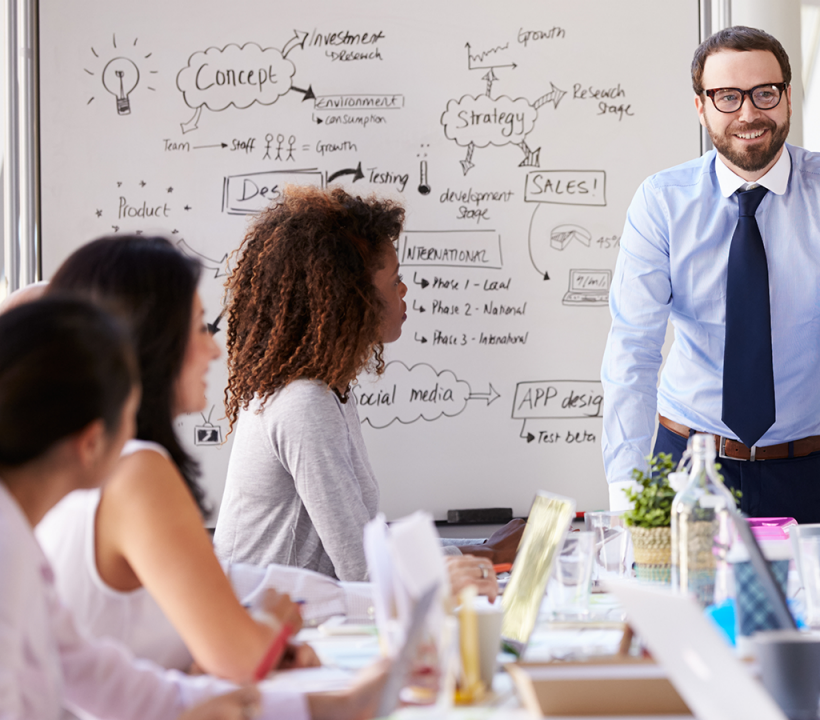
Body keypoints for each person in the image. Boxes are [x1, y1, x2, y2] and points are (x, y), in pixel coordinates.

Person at [0, 297, 385, 720]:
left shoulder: (24, 542)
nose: (216, 348)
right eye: (201, 327)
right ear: (92, 443)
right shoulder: (130, 477)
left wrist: (340, 706)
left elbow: (118, 685)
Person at [601, 26, 820, 523]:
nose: (749, 113)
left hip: (811, 470)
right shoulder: (661, 202)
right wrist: (627, 498)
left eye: (766, 93)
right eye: (727, 97)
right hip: (685, 468)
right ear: (701, 106)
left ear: (788, 97)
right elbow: (632, 352)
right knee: (677, 601)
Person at [34, 236, 317, 682]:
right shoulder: (137, 471)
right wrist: (269, 624)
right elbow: (241, 658)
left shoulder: (73, 467)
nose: (214, 349)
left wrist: (230, 650)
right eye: (201, 327)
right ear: (152, 338)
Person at [214, 186, 522, 582]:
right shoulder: (303, 404)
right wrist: (486, 555)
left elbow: (367, 544)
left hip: (303, 615)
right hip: (271, 626)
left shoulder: (325, 391)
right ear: (352, 299)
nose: (404, 290)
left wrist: (481, 549)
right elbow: (364, 571)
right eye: (395, 280)